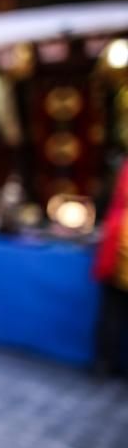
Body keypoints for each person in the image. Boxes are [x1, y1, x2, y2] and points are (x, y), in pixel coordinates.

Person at [94, 158, 128, 376]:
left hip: (118, 245)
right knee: (112, 312)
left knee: (112, 312)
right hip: (118, 245)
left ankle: (104, 363)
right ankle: (105, 362)